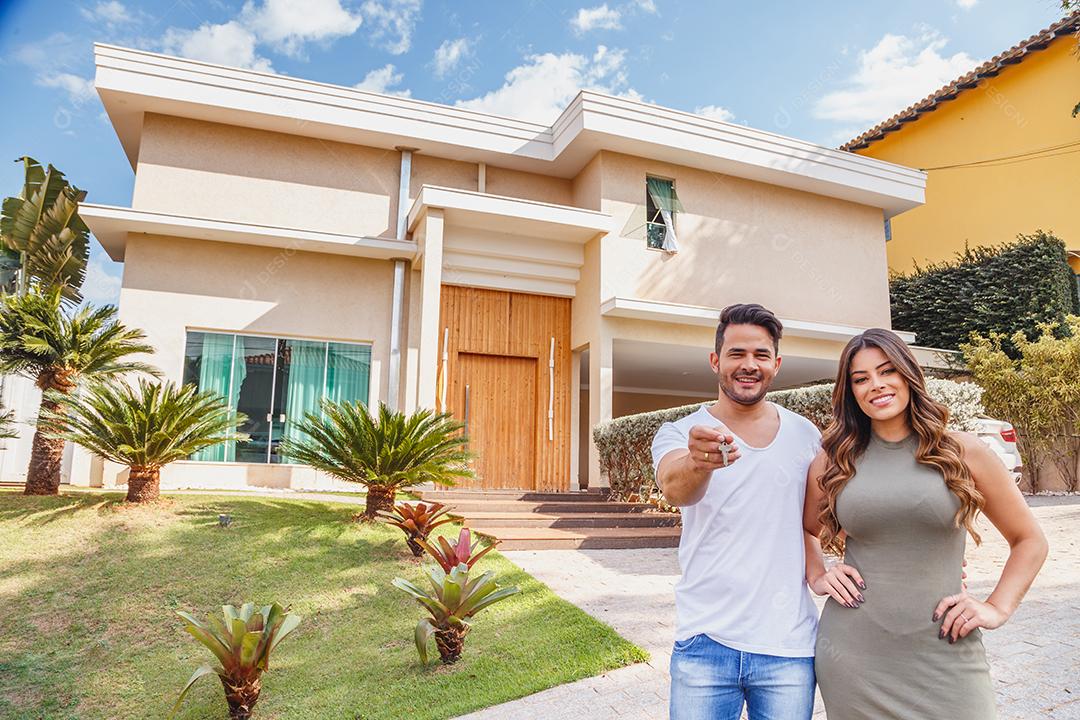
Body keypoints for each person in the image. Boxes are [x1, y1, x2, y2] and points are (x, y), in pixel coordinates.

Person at [804, 328, 1049, 720]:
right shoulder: (834, 460)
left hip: (947, 652)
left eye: (887, 372)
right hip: (855, 656)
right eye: (861, 379)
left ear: (908, 374)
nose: (876, 385)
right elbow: (805, 530)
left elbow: (1029, 540)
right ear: (849, 391)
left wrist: (996, 608)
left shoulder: (962, 450)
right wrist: (818, 573)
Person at [652, 303, 822, 720]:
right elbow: (676, 489)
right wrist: (699, 461)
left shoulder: (806, 435)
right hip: (705, 642)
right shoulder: (680, 433)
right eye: (737, 354)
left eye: (761, 355)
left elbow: (818, 521)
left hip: (788, 647)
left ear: (776, 364)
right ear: (716, 361)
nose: (749, 365)